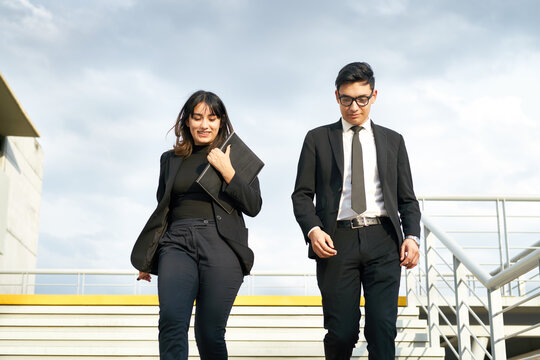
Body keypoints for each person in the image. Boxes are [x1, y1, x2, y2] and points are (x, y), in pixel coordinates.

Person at [291, 62, 421, 360]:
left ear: (374, 96)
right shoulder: (317, 138)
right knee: (342, 332)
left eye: (361, 98)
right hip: (336, 241)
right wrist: (313, 230)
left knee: (382, 329)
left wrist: (412, 236)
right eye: (347, 99)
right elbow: (301, 195)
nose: (354, 107)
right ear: (336, 96)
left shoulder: (393, 140)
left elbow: (407, 199)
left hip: (383, 239)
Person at [131, 90, 262, 360]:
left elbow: (254, 206)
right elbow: (163, 209)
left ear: (221, 121)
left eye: (212, 118)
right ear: (187, 121)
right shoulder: (170, 159)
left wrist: (229, 172)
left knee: (209, 332)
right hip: (176, 242)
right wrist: (148, 257)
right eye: (198, 117)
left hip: (221, 243)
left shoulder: (234, 155)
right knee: (171, 321)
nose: (205, 125)